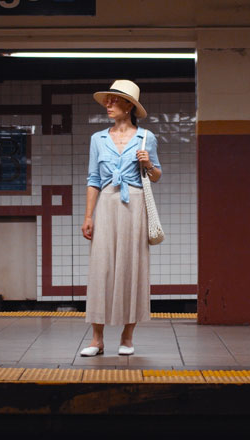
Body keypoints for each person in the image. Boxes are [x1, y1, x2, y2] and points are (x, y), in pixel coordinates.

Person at [80, 80, 162, 357]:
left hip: (134, 204)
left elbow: (157, 175)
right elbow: (93, 179)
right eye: (108, 100)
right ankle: (96, 339)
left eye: (114, 100)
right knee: (101, 267)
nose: (108, 105)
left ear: (130, 106)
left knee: (132, 266)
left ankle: (127, 337)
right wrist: (88, 216)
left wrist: (147, 163)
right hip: (106, 203)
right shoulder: (97, 139)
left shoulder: (145, 137)